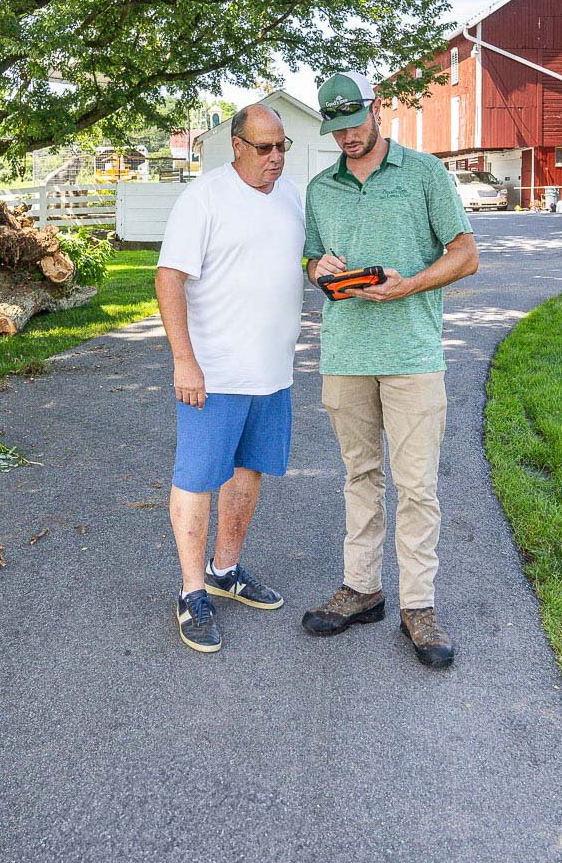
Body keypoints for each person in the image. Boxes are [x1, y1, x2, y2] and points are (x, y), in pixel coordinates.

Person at [300, 72, 478, 669]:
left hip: (411, 356)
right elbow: (309, 258)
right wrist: (318, 270)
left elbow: (466, 255)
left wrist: (409, 286)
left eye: (354, 124)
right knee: (360, 475)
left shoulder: (425, 173)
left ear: (376, 111)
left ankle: (418, 606)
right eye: (336, 129)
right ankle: (362, 589)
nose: (347, 137)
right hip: (345, 355)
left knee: (417, 485)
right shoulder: (320, 189)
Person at [156, 103, 305, 653]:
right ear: (237, 146)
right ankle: (192, 591)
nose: (276, 157)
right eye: (265, 147)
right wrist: (184, 360)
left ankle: (225, 570)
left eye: (283, 146)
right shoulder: (205, 198)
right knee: (197, 478)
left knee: (249, 471)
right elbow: (168, 278)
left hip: (272, 371)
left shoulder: (291, 197)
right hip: (214, 373)